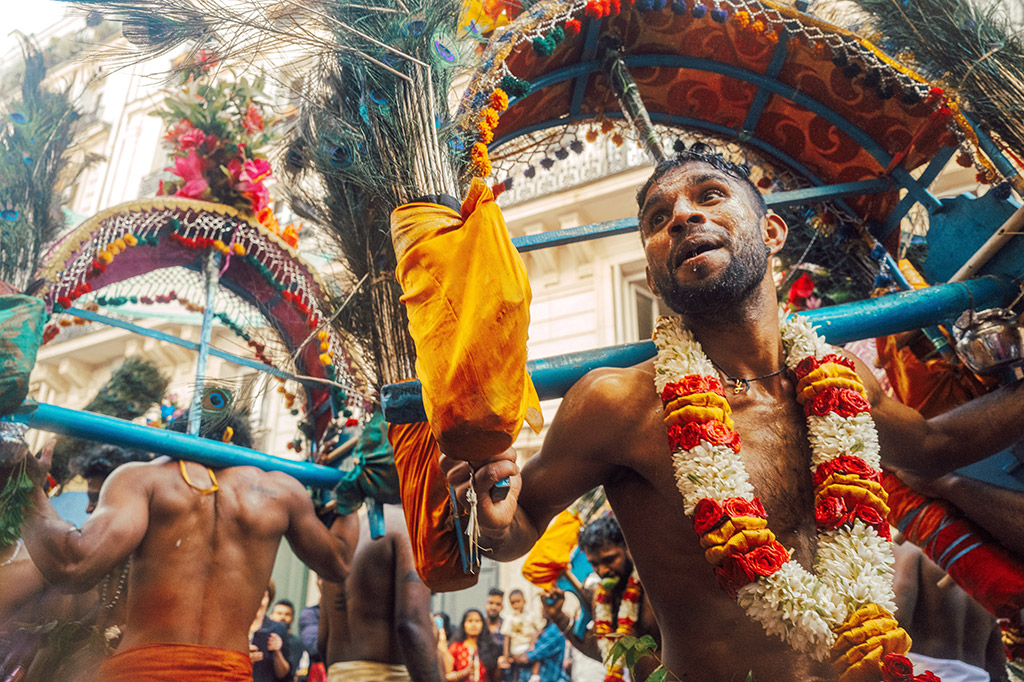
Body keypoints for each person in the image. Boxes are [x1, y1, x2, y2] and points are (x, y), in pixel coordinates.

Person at [442, 150, 1024, 681]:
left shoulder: (843, 379)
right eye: (656, 218)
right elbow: (518, 528)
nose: (682, 217)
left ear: (772, 231)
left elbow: (933, 446)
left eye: (710, 195)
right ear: (651, 274)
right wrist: (493, 524)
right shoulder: (618, 404)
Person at [19, 410, 355, 682]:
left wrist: (25, 481)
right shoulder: (283, 492)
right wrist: (350, 496)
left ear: (175, 442)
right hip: (228, 671)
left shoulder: (146, 478)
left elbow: (73, 565)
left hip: (141, 671)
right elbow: (338, 565)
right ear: (245, 447)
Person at [318, 504, 440, 682]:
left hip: (337, 673)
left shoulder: (343, 534)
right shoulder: (407, 526)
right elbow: (410, 623)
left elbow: (322, 640)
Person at [541, 515, 660, 680]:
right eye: (595, 564)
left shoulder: (655, 586)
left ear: (628, 548)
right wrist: (558, 617)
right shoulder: (603, 597)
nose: (602, 570)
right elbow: (607, 653)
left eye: (610, 559)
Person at [509, 612, 569, 682]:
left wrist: (511, 657)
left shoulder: (553, 630)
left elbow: (527, 657)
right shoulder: (546, 628)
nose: (542, 609)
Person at [251, 583, 293, 682]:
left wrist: (277, 652)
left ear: (269, 599)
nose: (259, 600)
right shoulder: (237, 626)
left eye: (263, 595)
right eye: (255, 594)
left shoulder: (278, 629)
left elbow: (284, 675)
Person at [500, 590, 541, 682]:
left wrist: (533, 640)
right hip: (516, 647)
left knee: (538, 654)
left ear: (524, 601)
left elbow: (539, 629)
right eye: (512, 603)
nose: (516, 605)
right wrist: (506, 657)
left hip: (529, 646)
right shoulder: (510, 618)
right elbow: (507, 638)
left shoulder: (531, 616)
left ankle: (535, 675)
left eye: (518, 601)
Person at [448, 609, 496, 682]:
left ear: (483, 624)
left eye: (477, 621)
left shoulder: (489, 647)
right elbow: (447, 676)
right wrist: (463, 673)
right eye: (470, 621)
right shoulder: (456, 647)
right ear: (464, 624)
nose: (474, 624)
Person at [269, 599, 307, 681]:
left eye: (287, 614)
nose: (283, 617)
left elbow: (290, 672)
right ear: (271, 616)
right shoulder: (266, 638)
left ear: (292, 619)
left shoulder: (296, 643)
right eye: (279, 613)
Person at [484, 588, 505, 682]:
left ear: (502, 607)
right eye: (491, 603)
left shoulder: (507, 626)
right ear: (486, 604)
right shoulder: (479, 625)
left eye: (498, 604)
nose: (493, 607)